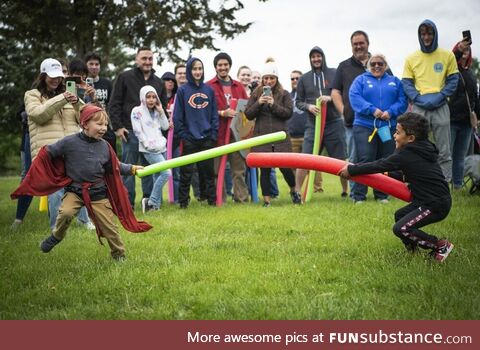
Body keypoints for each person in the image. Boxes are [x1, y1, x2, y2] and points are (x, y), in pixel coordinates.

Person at [12, 105, 150, 261]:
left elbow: (115, 166)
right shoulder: (69, 142)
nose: (104, 128)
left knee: (110, 227)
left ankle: (119, 255)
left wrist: (131, 168)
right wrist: (42, 160)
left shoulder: (105, 146)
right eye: (99, 124)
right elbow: (49, 152)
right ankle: (56, 236)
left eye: (105, 125)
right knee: (66, 212)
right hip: (75, 191)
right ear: (85, 124)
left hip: (98, 193)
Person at [339, 112, 454, 262]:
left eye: (398, 132)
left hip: (434, 204)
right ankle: (413, 252)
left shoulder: (407, 154)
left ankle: (439, 245)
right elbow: (407, 173)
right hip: (429, 201)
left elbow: (379, 164)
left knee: (401, 228)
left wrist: (352, 170)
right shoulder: (420, 150)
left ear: (411, 138)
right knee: (400, 216)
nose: (394, 135)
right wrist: (387, 174)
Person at [24, 58, 93, 231]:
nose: (56, 80)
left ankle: (85, 222)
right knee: (56, 190)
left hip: (71, 149)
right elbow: (38, 114)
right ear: (42, 76)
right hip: (48, 152)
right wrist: (63, 98)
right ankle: (57, 227)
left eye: (59, 76)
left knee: (80, 184)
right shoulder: (32, 95)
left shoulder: (68, 94)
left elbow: (85, 117)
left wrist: (80, 98)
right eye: (51, 76)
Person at [402, 20, 459, 183]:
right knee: (418, 146)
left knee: (444, 149)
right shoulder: (411, 58)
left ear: (435, 34)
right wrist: (418, 98)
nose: (426, 37)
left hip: (441, 106)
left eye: (429, 33)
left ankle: (444, 183)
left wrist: (440, 96)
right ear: (419, 36)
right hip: (420, 108)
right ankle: (419, 182)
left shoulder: (447, 55)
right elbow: (406, 82)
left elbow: (453, 80)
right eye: (423, 34)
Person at [109, 47, 166, 208]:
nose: (147, 61)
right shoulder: (125, 77)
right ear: (137, 59)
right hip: (130, 132)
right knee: (129, 169)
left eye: (150, 58)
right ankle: (128, 203)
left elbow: (162, 105)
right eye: (144, 58)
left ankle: (148, 201)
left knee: (150, 169)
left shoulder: (158, 82)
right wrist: (118, 127)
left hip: (152, 136)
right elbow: (115, 103)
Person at [348, 53, 408, 203]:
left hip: (388, 127)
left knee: (385, 160)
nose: (376, 66)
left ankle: (382, 195)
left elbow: (403, 100)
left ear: (385, 65)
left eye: (380, 63)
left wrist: (391, 112)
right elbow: (354, 97)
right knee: (365, 159)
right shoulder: (360, 80)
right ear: (369, 66)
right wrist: (372, 109)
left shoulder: (395, 81)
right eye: (373, 63)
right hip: (364, 125)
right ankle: (359, 196)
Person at [244, 59, 301, 207]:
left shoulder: (284, 94)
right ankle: (267, 200)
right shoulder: (256, 93)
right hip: (262, 138)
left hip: (281, 138)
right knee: (265, 170)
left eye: (272, 78)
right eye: (266, 78)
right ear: (263, 79)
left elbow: (288, 113)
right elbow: (248, 114)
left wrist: (273, 105)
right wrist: (259, 103)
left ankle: (294, 191)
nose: (269, 81)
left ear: (277, 79)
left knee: (286, 169)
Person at [295, 47, 348, 198]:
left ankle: (345, 191)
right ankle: (297, 192)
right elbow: (298, 102)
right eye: (313, 57)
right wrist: (308, 106)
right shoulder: (304, 78)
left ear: (323, 57)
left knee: (340, 158)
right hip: (313, 124)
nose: (316, 59)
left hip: (334, 123)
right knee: (305, 157)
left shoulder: (334, 73)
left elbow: (343, 93)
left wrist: (330, 98)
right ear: (310, 59)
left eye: (318, 56)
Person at [173, 57, 218, 208]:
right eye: (194, 69)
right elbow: (177, 116)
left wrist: (212, 136)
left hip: (206, 139)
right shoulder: (182, 91)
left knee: (208, 173)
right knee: (186, 173)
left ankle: (212, 202)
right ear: (189, 71)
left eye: (200, 68)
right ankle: (183, 203)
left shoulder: (209, 90)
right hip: (189, 139)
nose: (197, 72)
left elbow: (214, 115)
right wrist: (184, 136)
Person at [332, 30, 372, 198]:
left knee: (378, 158)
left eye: (361, 43)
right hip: (352, 122)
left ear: (367, 43)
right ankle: (356, 195)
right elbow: (335, 92)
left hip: (377, 122)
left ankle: (382, 193)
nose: (358, 46)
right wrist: (343, 112)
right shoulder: (344, 66)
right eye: (355, 44)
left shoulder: (378, 63)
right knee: (355, 158)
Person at [207, 52, 249, 203]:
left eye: (225, 65)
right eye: (220, 65)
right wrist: (222, 112)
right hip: (218, 134)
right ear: (216, 67)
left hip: (236, 134)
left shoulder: (238, 86)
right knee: (217, 170)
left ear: (230, 66)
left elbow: (246, 108)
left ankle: (242, 199)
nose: (223, 68)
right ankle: (220, 199)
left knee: (239, 170)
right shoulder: (209, 86)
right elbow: (206, 110)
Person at [131, 85, 171, 212]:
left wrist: (161, 112)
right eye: (148, 97)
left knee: (157, 175)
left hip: (161, 147)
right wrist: (146, 144)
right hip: (149, 149)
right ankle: (151, 201)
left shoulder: (157, 111)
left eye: (154, 97)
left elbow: (165, 127)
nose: (151, 100)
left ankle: (155, 207)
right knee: (166, 173)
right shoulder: (136, 111)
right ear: (143, 97)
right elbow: (137, 130)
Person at [449, 39, 479, 189]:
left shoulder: (470, 73)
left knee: (460, 156)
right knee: (446, 155)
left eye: (467, 50)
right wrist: (459, 49)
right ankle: (443, 185)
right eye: (462, 50)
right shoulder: (451, 69)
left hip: (467, 122)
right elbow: (452, 57)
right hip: (451, 120)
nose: (465, 52)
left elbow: (475, 97)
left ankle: (457, 185)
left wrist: (477, 117)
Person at [288, 69, 323, 192]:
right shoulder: (288, 96)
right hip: (292, 136)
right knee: (293, 164)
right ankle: (295, 189)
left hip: (308, 134)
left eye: (297, 78)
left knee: (313, 163)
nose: (295, 81)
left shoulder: (309, 95)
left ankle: (317, 188)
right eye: (292, 78)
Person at [84, 52, 116, 151]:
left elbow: (112, 104)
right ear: (86, 65)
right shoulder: (80, 84)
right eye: (91, 64)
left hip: (105, 125)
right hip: (88, 126)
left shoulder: (107, 83)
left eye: (97, 64)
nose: (94, 67)